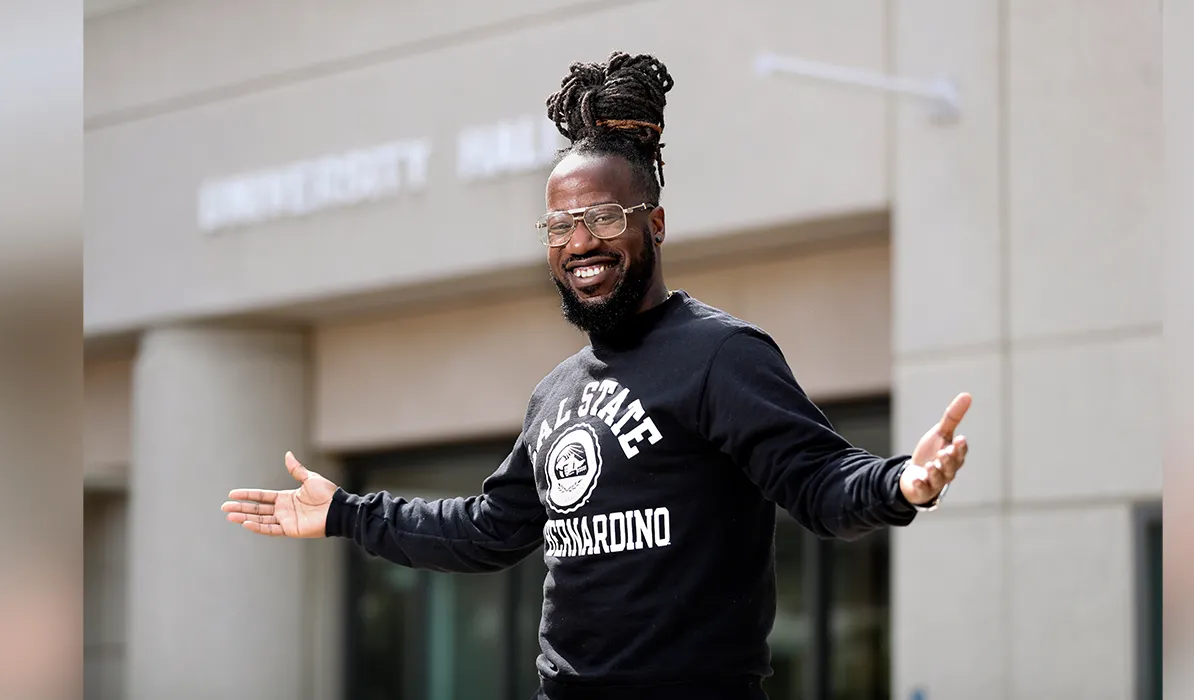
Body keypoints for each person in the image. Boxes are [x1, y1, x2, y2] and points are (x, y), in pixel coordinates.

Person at [221, 51, 972, 700]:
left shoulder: (720, 354)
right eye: (560, 225)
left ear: (655, 222)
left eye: (606, 218)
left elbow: (817, 482)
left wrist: (901, 483)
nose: (581, 242)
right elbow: (490, 531)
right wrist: (348, 514)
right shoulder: (556, 394)